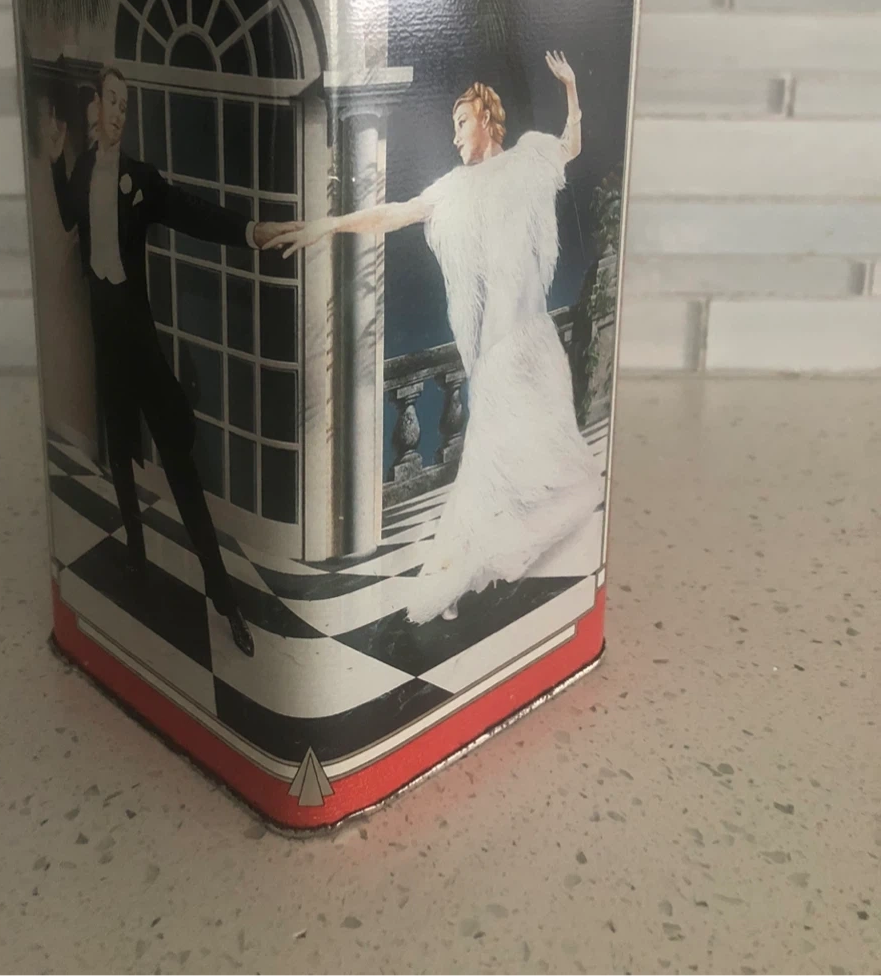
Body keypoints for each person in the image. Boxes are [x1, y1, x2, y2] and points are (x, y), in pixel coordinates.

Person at [266, 52, 602, 625]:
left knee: (555, 465)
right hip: (498, 360)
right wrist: (324, 226)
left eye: (462, 122)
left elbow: (570, 144)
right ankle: (456, 581)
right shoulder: (452, 190)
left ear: (487, 119)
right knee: (486, 472)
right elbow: (393, 213)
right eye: (452, 125)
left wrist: (571, 87)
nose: (455, 135)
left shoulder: (527, 159)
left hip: (540, 347)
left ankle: (492, 573)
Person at [44, 66, 301, 657]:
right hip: (105, 343)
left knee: (181, 469)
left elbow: (192, 212)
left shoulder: (141, 180)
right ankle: (136, 559)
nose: (118, 114)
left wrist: (253, 231)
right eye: (111, 102)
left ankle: (225, 600)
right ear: (96, 107)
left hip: (140, 341)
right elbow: (68, 215)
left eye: (124, 106)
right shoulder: (83, 170)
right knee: (120, 458)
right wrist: (57, 160)